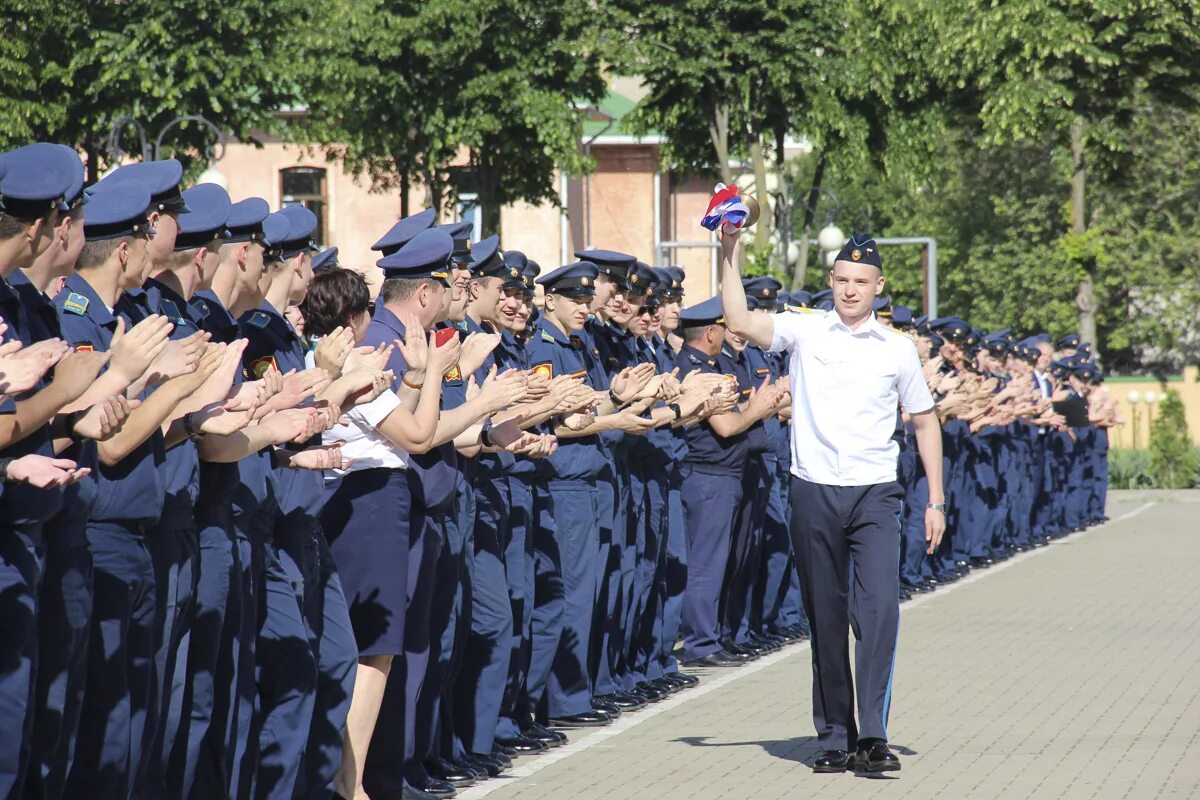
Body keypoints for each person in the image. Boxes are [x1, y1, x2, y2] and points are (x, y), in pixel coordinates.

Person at [720, 230, 945, 774]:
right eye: (842, 280)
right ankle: (834, 736)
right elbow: (741, 321)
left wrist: (936, 500)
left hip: (874, 492)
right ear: (831, 282)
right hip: (814, 488)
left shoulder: (896, 348)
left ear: (878, 286)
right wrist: (728, 249)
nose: (850, 290)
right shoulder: (805, 331)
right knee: (824, 617)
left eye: (861, 282)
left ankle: (872, 735)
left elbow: (923, 419)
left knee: (878, 615)